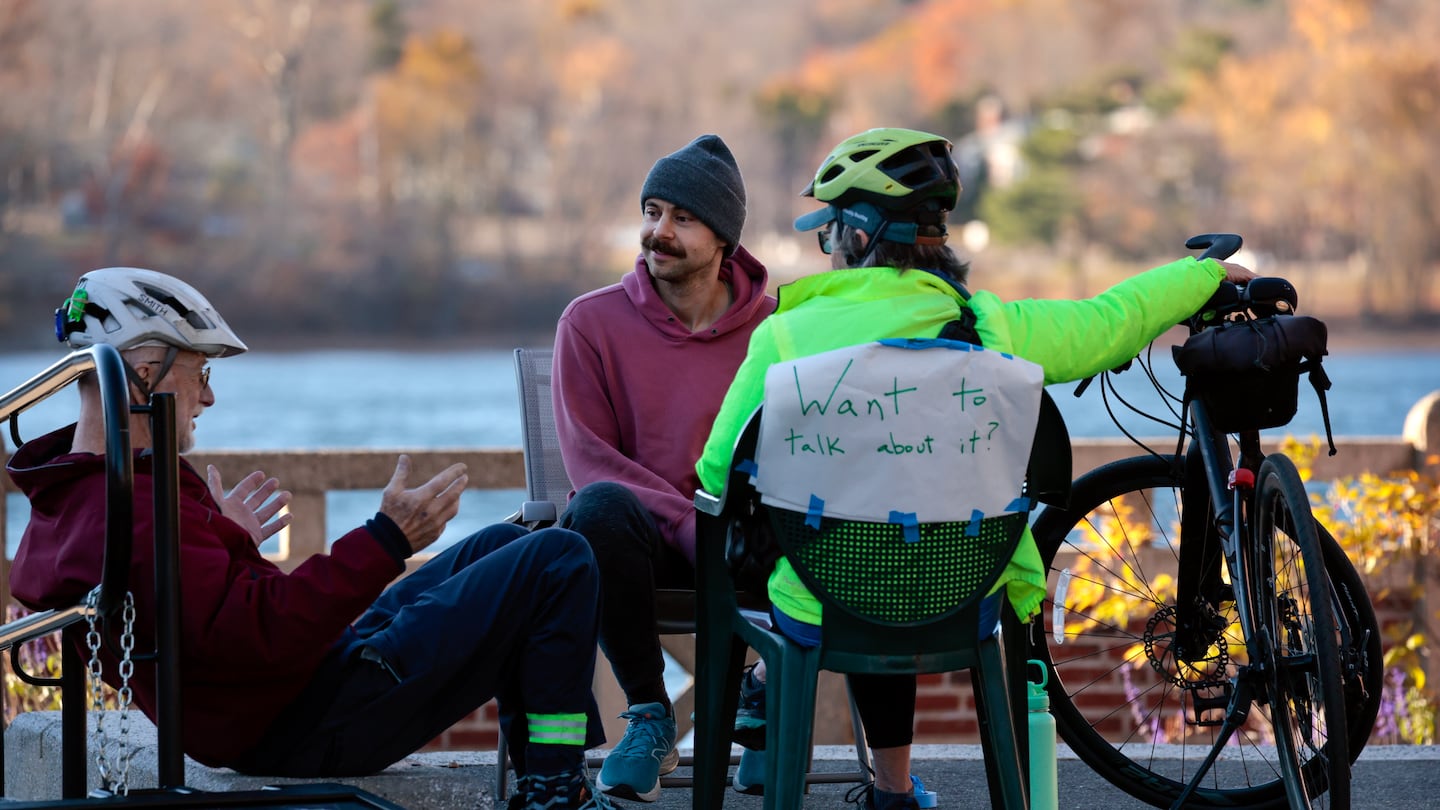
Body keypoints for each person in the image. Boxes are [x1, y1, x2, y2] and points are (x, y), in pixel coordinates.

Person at [695, 127, 1256, 810]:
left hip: (823, 597)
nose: (827, 250)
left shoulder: (783, 336)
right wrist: (1196, 275)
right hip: (966, 596)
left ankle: (771, 693)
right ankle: (894, 792)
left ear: (859, 236)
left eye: (829, 233)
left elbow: (717, 471)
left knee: (855, 550)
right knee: (901, 549)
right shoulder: (989, 327)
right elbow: (1108, 320)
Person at [9, 268, 614, 810]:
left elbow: (194, 604)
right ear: (146, 377)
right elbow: (265, 633)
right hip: (317, 719)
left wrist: (221, 534)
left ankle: (548, 776)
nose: (211, 396)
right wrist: (386, 538)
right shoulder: (134, 509)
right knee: (558, 559)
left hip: (297, 695)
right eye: (202, 373)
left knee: (509, 545)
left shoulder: (85, 494)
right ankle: (553, 788)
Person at [551, 134, 777, 801]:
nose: (658, 232)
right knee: (594, 511)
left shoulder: (777, 330)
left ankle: (765, 699)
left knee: (824, 517)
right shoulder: (590, 323)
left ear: (724, 240)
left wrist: (722, 524)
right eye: (652, 211)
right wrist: (691, 522)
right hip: (642, 546)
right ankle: (651, 716)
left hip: (742, 543)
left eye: (682, 217)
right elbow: (592, 461)